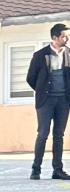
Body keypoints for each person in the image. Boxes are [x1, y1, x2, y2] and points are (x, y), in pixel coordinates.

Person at [27, 23, 70, 180]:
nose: (66, 39)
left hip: (64, 101)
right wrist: (42, 90)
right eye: (64, 36)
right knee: (43, 134)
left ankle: (57, 170)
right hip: (46, 101)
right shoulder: (40, 55)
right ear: (54, 38)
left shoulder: (69, 54)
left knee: (59, 135)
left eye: (67, 36)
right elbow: (31, 78)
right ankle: (36, 169)